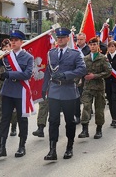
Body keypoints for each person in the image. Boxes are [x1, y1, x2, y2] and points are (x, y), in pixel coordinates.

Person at [42, 27, 86, 160]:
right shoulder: (51, 53)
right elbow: (47, 72)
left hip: (68, 91)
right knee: (53, 121)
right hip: (54, 90)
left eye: (62, 37)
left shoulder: (75, 54)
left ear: (68, 38)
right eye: (58, 38)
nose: (60, 40)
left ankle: (69, 147)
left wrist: (66, 74)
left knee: (69, 121)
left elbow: (82, 70)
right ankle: (52, 150)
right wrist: (44, 88)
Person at [0, 30, 34, 158]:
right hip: (7, 91)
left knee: (22, 119)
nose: (13, 42)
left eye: (16, 40)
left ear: (22, 42)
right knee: (5, 119)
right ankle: (1, 147)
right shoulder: (6, 56)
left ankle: (22, 146)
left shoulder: (28, 57)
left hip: (21, 92)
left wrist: (9, 74)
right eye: (12, 40)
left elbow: (27, 74)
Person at [78, 37, 111, 139]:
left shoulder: (103, 58)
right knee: (86, 107)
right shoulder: (85, 59)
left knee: (99, 109)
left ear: (98, 46)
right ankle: (85, 129)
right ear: (89, 46)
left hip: (99, 87)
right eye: (91, 45)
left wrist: (95, 76)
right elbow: (81, 71)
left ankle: (99, 129)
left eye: (94, 45)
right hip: (87, 87)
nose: (92, 47)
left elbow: (108, 71)